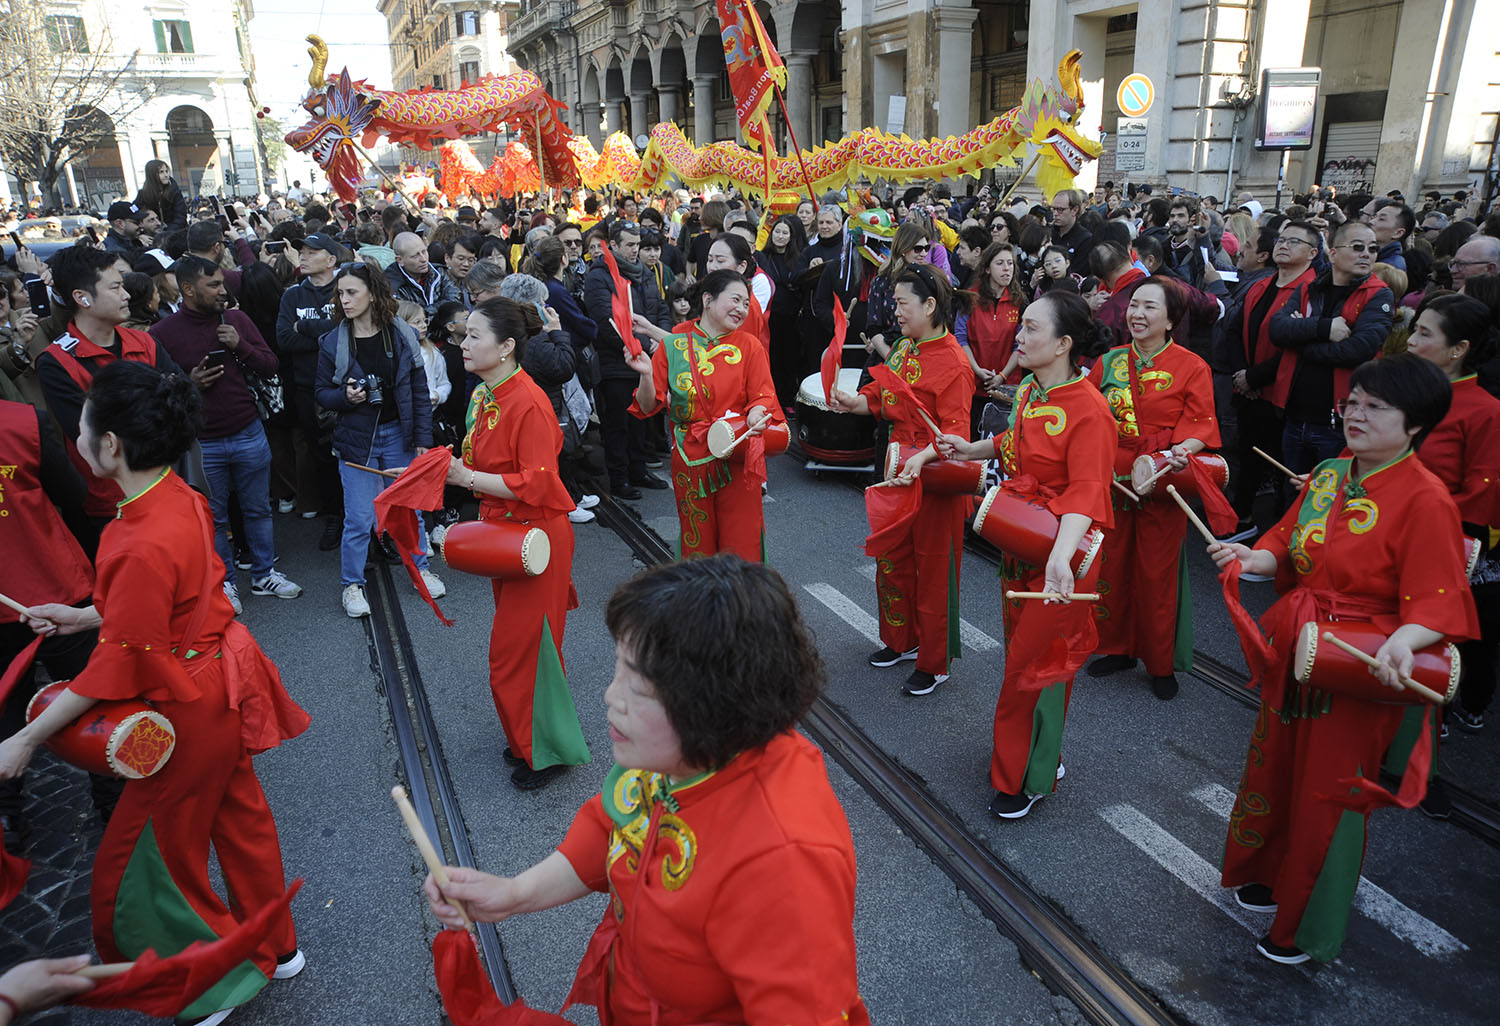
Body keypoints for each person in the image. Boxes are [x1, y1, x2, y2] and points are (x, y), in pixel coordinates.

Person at [424, 555, 868, 1026]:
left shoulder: (784, 861)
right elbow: (613, 822)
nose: (610, 696)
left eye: (638, 688)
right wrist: (515, 894)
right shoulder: (684, 755)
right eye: (619, 672)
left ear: (712, 702)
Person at [0, 361, 306, 1024]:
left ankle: (209, 986)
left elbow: (119, 667)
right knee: (241, 821)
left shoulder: (132, 536)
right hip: (221, 681)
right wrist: (82, 615)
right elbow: (163, 608)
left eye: (81, 428)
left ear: (111, 445)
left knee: (145, 859)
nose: (74, 439)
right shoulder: (177, 494)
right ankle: (277, 945)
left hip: (185, 706)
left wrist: (25, 736)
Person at [1207, 353, 1477, 965]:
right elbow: (1286, 541)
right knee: (1274, 761)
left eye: (1375, 407)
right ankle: (1267, 870)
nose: (1355, 414)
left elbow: (1436, 600)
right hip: (1300, 644)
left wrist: (1404, 644)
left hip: (1360, 658)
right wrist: (1252, 559)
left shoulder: (1425, 498)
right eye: (1352, 401)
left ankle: (1306, 924)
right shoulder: (1330, 470)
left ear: (1414, 425)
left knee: (1330, 791)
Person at [935, 292, 1115, 817]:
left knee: (1035, 667)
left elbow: (1088, 492)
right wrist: (973, 449)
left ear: (1063, 343)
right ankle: (1037, 753)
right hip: (1025, 542)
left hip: (1064, 555)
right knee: (1022, 656)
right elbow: (1015, 442)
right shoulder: (1032, 389)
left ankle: (1027, 775)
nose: (1019, 336)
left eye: (1031, 329)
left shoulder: (1091, 410)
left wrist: (1059, 559)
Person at [446, 297, 590, 789]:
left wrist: (465, 478)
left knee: (523, 651)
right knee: (523, 649)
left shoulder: (526, 401)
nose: (463, 344)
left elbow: (537, 481)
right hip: (508, 535)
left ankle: (546, 752)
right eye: (464, 334)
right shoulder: (485, 394)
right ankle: (530, 736)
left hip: (536, 539)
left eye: (473, 336)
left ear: (506, 347)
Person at [831, 265, 974, 695]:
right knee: (893, 560)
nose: (895, 312)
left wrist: (924, 457)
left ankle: (934, 661)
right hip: (899, 469)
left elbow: (958, 436)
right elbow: (879, 399)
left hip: (934, 475)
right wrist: (850, 401)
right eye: (894, 303)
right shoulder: (903, 350)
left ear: (930, 306)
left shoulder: (954, 362)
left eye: (901, 303)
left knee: (933, 569)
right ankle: (901, 640)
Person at [1086, 275, 1222, 700]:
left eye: (1149, 308)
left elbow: (1201, 424)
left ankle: (1160, 662)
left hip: (1162, 480)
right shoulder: (1107, 362)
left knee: (1157, 573)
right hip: (1112, 477)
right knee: (1112, 565)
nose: (1137, 314)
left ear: (1170, 320)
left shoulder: (1191, 365)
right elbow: (1086, 416)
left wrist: (1176, 454)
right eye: (1134, 306)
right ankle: (1116, 647)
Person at [151, 256, 303, 612]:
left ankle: (265, 573)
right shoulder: (161, 334)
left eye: (223, 283)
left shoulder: (236, 319)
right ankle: (226, 584)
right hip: (202, 444)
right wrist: (189, 383)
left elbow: (270, 365)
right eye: (214, 285)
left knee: (258, 510)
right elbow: (154, 391)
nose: (224, 290)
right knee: (214, 518)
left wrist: (240, 345)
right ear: (188, 289)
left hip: (249, 431)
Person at [315, 262, 445, 618]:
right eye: (341, 293)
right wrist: (346, 397)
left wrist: (421, 438)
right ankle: (352, 584)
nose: (344, 300)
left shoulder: (400, 333)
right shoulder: (332, 341)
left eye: (352, 292)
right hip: (358, 441)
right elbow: (322, 394)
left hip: (398, 435)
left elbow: (418, 389)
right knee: (358, 517)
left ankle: (421, 569)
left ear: (372, 293)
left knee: (409, 510)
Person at [34, 247, 182, 556]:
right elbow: (96, 440)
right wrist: (154, 405)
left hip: (163, 486)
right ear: (82, 298)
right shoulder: (56, 362)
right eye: (115, 287)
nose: (126, 294)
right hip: (105, 507)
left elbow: (184, 405)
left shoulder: (145, 341)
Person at [627, 269, 781, 560]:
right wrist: (646, 375)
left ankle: (741, 604)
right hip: (690, 461)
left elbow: (764, 395)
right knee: (697, 543)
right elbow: (648, 407)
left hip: (736, 455)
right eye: (735, 299)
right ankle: (701, 603)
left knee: (741, 542)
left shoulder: (750, 347)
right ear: (708, 299)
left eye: (746, 304)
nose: (742, 309)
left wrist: (757, 413)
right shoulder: (673, 345)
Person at [1404, 294, 1500, 732]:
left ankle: (1426, 726)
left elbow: (1481, 492)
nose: (1410, 340)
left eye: (1424, 333)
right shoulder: (1404, 389)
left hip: (1440, 542)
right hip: (1387, 529)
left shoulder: (1484, 410)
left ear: (1458, 349)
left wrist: (1410, 515)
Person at [1217, 220, 1321, 540]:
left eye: (1294, 242)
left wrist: (1254, 376)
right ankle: (1243, 519)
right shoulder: (1262, 285)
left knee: (1283, 469)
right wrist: (1242, 375)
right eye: (1282, 240)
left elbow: (1297, 348)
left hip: (1283, 394)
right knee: (1248, 457)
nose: (1283, 245)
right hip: (1249, 389)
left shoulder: (1312, 291)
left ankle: (1279, 533)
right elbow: (1235, 332)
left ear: (1313, 253)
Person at [1267, 221, 1394, 473]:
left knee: (1329, 498)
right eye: (1358, 247)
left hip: (1338, 423)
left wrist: (1301, 345)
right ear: (1333, 253)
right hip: (1294, 416)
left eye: (1373, 248)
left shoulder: (1378, 294)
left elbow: (1357, 350)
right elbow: (1277, 330)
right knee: (1292, 494)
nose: (1366, 254)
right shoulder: (1308, 288)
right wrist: (1324, 329)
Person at [585, 222, 672, 499]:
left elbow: (659, 308)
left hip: (645, 359)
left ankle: (639, 468)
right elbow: (606, 321)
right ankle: (619, 476)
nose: (635, 250)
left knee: (641, 420)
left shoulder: (644, 273)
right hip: (617, 362)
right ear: (613, 245)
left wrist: (661, 338)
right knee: (618, 423)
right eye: (629, 245)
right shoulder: (599, 276)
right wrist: (646, 345)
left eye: (637, 244)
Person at [275, 233, 344, 541]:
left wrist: (303, 327)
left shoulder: (344, 290)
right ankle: (334, 517)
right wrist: (326, 333)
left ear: (331, 260)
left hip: (343, 385)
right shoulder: (292, 295)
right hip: (307, 389)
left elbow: (348, 330)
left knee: (352, 454)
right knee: (321, 455)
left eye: (311, 252)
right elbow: (283, 340)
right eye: (301, 251)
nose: (302, 256)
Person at [956, 241, 1025, 435]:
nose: (1006, 269)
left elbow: (1020, 344)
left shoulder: (1019, 301)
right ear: (986, 268)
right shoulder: (970, 298)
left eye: (1010, 263)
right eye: (1000, 263)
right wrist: (977, 370)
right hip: (973, 385)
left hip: (1008, 386)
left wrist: (1002, 376)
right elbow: (961, 339)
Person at [757, 214, 807, 407]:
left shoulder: (798, 257)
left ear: (791, 236)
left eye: (784, 232)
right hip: (770, 317)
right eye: (777, 231)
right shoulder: (763, 256)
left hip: (792, 317)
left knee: (790, 360)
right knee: (772, 360)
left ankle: (787, 399)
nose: (780, 236)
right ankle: (772, 399)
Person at [386, 232, 463, 317]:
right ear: (400, 260)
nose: (423, 259)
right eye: (415, 256)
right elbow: (405, 316)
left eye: (424, 251)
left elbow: (455, 299)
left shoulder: (438, 272)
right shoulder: (391, 286)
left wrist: (426, 311)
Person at [132, 160, 187, 230]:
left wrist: (168, 231)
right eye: (161, 172)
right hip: (152, 233)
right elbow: (133, 209)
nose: (166, 175)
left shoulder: (174, 192)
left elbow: (181, 215)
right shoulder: (143, 194)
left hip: (175, 232)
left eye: (166, 171)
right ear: (152, 174)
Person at [1050, 189, 1093, 276]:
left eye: (1060, 210)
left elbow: (1078, 272)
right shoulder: (1048, 233)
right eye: (1053, 209)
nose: (1055, 214)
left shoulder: (1085, 239)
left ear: (1074, 210)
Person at [101, 202, 146, 266]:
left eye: (142, 221)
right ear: (120, 223)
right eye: (137, 222)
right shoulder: (113, 251)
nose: (142, 226)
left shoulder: (133, 242)